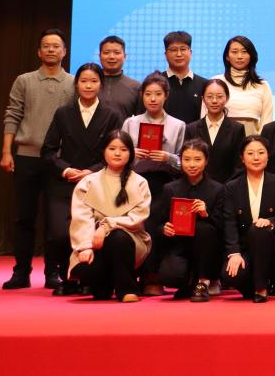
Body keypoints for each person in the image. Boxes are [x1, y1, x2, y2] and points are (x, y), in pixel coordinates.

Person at [0, 28, 76, 291]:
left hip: (59, 161)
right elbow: (12, 114)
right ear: (38, 52)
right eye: (46, 46)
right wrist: (6, 152)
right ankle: (21, 272)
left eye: (56, 46)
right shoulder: (24, 80)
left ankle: (52, 273)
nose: (51, 50)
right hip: (27, 157)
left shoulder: (74, 83)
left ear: (64, 52)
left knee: (56, 221)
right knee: (24, 218)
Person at [41, 62, 123, 295]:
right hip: (65, 182)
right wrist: (66, 170)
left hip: (97, 183)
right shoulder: (63, 113)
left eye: (93, 81)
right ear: (76, 84)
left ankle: (88, 277)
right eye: (84, 81)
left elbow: (116, 150)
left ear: (101, 84)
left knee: (92, 231)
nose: (88, 86)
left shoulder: (111, 114)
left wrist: (92, 172)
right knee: (60, 233)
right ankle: (68, 277)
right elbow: (48, 150)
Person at [121, 72, 186, 295]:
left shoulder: (178, 125)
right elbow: (118, 154)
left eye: (158, 94)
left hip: (164, 183)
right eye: (148, 94)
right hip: (135, 182)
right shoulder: (131, 123)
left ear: (166, 95)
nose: (153, 98)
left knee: (157, 228)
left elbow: (184, 161)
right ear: (142, 95)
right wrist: (132, 154)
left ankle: (153, 276)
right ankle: (135, 275)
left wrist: (168, 157)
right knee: (137, 226)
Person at [67, 130, 152, 302]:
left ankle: (127, 289)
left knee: (117, 237)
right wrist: (85, 247)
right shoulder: (88, 182)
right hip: (94, 242)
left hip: (130, 240)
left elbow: (137, 218)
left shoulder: (140, 182)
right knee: (86, 269)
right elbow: (81, 218)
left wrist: (107, 226)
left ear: (131, 153)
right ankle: (104, 285)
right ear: (103, 151)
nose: (117, 153)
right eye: (112, 148)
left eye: (123, 149)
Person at [223, 135, 275, 302]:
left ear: (268, 156)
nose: (256, 157)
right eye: (250, 153)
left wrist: (271, 222)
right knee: (231, 275)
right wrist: (234, 253)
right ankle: (259, 281)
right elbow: (229, 222)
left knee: (259, 230)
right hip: (245, 246)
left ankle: (261, 288)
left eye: (261, 152)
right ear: (242, 158)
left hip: (273, 245)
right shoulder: (232, 187)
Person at [156, 138, 224, 301]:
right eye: (187, 159)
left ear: (206, 161)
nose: (192, 165)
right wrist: (165, 228)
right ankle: (188, 282)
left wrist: (206, 214)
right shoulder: (170, 188)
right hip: (179, 247)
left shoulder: (218, 189)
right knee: (169, 276)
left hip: (208, 250)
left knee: (203, 228)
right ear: (181, 160)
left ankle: (203, 282)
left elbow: (223, 226)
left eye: (197, 159)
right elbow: (159, 222)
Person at [184, 78, 246, 185]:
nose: (214, 101)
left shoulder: (237, 129)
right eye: (209, 97)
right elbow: (187, 160)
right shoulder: (191, 128)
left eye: (219, 96)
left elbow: (239, 165)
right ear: (203, 99)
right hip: (197, 187)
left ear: (227, 98)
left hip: (227, 188)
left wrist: (227, 188)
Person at [212, 35, 273, 136]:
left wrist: (260, 142)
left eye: (244, 52)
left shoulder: (262, 85)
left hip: (252, 141)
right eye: (234, 52)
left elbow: (267, 122)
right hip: (220, 139)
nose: (239, 56)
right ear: (227, 56)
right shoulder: (215, 82)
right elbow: (205, 117)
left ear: (251, 56)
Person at [162, 31, 208, 124]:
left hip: (195, 134)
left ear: (190, 52)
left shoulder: (204, 85)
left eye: (183, 49)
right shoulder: (156, 83)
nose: (179, 54)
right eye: (173, 50)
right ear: (165, 54)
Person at [97, 35, 140, 122]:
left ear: (125, 56)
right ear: (99, 56)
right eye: (106, 52)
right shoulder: (88, 84)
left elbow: (141, 119)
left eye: (117, 53)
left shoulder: (136, 86)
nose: (111, 57)